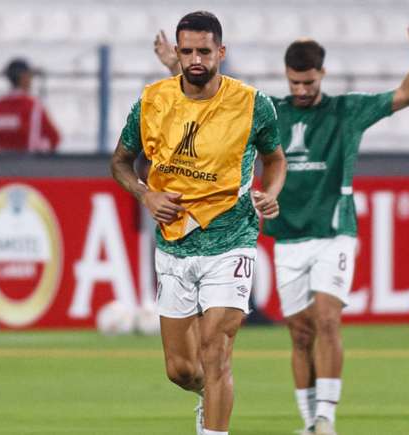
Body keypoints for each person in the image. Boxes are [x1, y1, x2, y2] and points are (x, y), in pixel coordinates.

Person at [155, 17, 409, 435]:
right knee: (300, 332)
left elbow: (407, 94)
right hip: (287, 235)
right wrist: (175, 70)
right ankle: (309, 422)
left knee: (326, 319)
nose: (301, 90)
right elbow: (214, 99)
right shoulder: (271, 111)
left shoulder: (346, 111)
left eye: (308, 82)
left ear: (322, 74)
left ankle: (326, 418)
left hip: (334, 231)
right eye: (295, 83)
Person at [111, 11, 286, 435]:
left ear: (220, 52)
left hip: (232, 239)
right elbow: (120, 161)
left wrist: (271, 192)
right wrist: (146, 194)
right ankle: (209, 400)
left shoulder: (252, 104)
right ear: (177, 51)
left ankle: (214, 427)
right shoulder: (152, 101)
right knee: (182, 369)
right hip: (174, 244)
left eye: (203, 51)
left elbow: (275, 158)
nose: (195, 59)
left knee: (216, 351)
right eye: (186, 51)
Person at [0, 58, 61, 153]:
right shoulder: (32, 105)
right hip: (29, 164)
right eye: (30, 75)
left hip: (3, 165)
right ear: (23, 77)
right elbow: (54, 138)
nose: (31, 79)